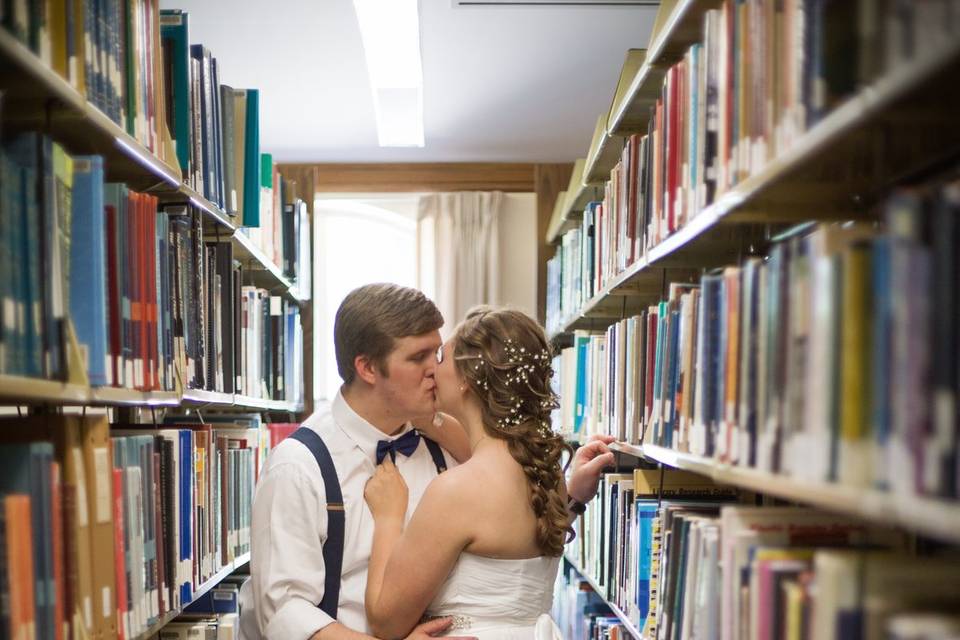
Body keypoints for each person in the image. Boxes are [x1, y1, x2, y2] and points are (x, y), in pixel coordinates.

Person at [238, 284, 614, 640]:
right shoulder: (298, 466)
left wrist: (569, 498)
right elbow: (284, 611)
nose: (435, 370)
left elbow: (509, 525)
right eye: (418, 358)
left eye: (437, 354)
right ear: (368, 368)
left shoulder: (450, 447)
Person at [363, 307, 585, 639]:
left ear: (467, 380)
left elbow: (385, 621)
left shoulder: (456, 491)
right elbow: (478, 443)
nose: (431, 370)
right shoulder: (546, 470)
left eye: (441, 357)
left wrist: (388, 517)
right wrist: (425, 417)